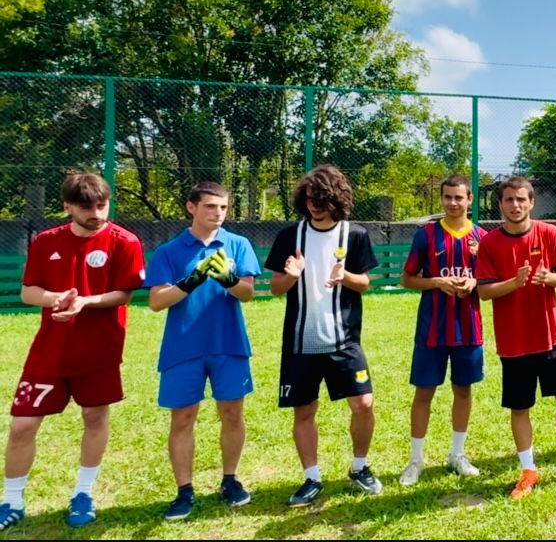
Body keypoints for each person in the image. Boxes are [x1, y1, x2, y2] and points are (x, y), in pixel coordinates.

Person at [1, 173, 145, 531]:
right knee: (22, 425)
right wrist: (56, 298)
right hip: (49, 352)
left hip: (99, 351)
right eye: (86, 208)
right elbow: (28, 292)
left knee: (94, 417)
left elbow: (125, 294)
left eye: (101, 206)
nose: (96, 214)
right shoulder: (46, 241)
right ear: (67, 207)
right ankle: (12, 500)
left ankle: (83, 493)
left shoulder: (125, 242)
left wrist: (84, 302)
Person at [476, 176, 556, 499]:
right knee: (520, 408)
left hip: (552, 337)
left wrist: (549, 277)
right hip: (514, 341)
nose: (515, 205)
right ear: (500, 204)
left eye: (521, 199)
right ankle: (528, 470)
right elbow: (484, 292)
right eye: (509, 200)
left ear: (531, 202)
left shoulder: (549, 233)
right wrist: (513, 283)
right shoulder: (490, 243)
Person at [266, 165, 381, 507]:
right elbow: (275, 288)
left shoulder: (355, 235)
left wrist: (346, 276)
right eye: (309, 198)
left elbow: (365, 283)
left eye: (321, 198)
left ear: (336, 199)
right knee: (304, 411)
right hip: (301, 342)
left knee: (363, 404)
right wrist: (291, 276)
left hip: (344, 340)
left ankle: (359, 467)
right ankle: (312, 477)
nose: (314, 205)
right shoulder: (290, 236)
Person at [145, 182, 260, 520]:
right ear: (191, 207)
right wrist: (189, 282)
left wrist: (229, 280)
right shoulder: (169, 251)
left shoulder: (238, 244)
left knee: (232, 413)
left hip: (229, 343)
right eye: (210, 206)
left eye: (223, 207)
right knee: (182, 417)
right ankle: (184, 491)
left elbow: (248, 293)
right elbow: (155, 301)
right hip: (183, 346)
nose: (218, 213)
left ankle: (230, 480)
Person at [398, 175, 485, 485]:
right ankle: (415, 460)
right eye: (447, 197)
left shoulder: (482, 237)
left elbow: (490, 280)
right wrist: (436, 281)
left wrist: (474, 282)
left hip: (468, 328)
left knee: (463, 390)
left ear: (469, 199)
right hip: (432, 329)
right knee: (424, 393)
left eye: (458, 197)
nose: (452, 203)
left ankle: (457, 455)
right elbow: (407, 279)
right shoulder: (426, 235)